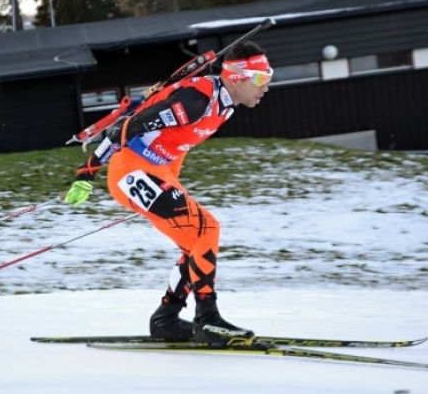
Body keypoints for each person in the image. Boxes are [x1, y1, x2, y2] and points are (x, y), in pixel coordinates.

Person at [63, 41, 272, 344]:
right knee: (206, 228)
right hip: (132, 173)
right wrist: (86, 174)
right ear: (238, 77)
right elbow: (126, 129)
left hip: (157, 172)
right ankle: (207, 319)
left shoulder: (225, 103)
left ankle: (166, 320)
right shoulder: (194, 102)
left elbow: (174, 142)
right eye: (261, 79)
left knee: (196, 242)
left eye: (269, 77)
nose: (265, 87)